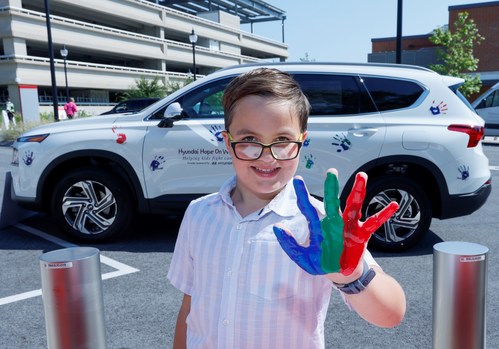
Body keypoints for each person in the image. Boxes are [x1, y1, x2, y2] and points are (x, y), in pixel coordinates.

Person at [167, 68, 406, 348]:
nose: (267, 156)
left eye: (282, 141)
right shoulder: (199, 214)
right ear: (228, 142)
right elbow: (189, 308)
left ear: (302, 142)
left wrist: (352, 275)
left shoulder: (318, 223)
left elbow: (391, 314)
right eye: (250, 141)